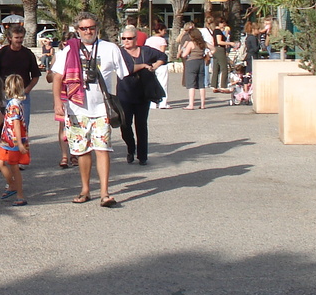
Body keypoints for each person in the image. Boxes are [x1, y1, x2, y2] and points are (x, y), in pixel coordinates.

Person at [52, 11, 128, 207]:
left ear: (97, 29)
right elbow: (57, 77)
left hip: (102, 108)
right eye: (83, 28)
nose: (88, 31)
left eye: (91, 27)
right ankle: (85, 189)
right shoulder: (69, 50)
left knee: (103, 149)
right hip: (76, 108)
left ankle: (105, 192)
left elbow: (123, 75)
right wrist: (57, 103)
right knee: (81, 151)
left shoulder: (110, 48)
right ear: (77, 30)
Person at [116, 24, 167, 165]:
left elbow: (163, 56)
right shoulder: (119, 53)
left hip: (143, 93)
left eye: (130, 38)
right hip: (125, 93)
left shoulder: (146, 51)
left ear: (136, 38)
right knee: (125, 125)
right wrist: (144, 66)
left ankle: (142, 155)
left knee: (142, 125)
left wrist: (154, 66)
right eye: (124, 38)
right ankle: (130, 148)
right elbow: (127, 69)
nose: (126, 41)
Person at [0, 24, 42, 128]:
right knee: (5, 126)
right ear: (10, 38)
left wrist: (27, 90)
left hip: (23, 96)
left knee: (22, 125)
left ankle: (22, 144)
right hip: (4, 94)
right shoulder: (1, 53)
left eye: (21, 37)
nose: (19, 40)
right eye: (16, 37)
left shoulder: (28, 54)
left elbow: (35, 76)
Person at [0, 74, 30, 207]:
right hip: (6, 140)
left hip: (14, 141)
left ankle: (20, 194)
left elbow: (16, 124)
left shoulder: (15, 105)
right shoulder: (11, 103)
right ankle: (12, 184)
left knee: (14, 166)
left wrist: (20, 143)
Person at [179, 24, 210, 109]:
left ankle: (191, 104)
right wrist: (206, 54)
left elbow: (184, 55)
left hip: (192, 62)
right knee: (201, 84)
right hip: (201, 62)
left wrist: (182, 50)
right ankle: (203, 104)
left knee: (191, 84)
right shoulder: (203, 43)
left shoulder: (191, 43)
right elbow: (213, 49)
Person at [210, 18, 232, 93]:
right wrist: (230, 43)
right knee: (224, 68)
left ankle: (214, 85)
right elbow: (219, 42)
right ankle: (223, 85)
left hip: (215, 49)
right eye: (223, 23)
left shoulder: (215, 31)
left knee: (216, 68)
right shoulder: (218, 31)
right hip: (220, 49)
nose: (224, 25)